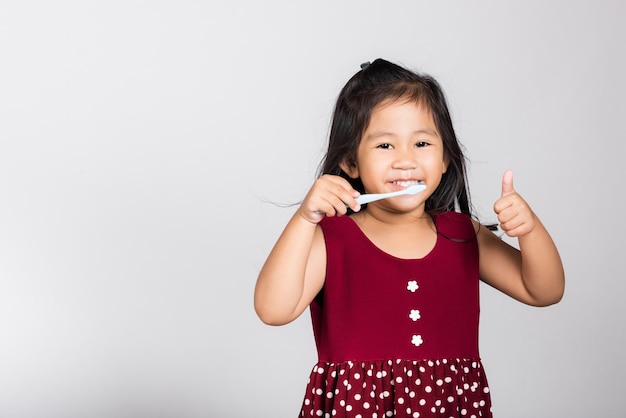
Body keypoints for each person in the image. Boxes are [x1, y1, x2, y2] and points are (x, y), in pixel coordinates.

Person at [254, 58, 564, 417]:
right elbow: (273, 310)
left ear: (446, 157)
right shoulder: (332, 239)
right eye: (385, 146)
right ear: (351, 164)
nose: (405, 161)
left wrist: (530, 229)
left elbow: (544, 291)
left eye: (421, 143)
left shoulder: (464, 234)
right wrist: (304, 218)